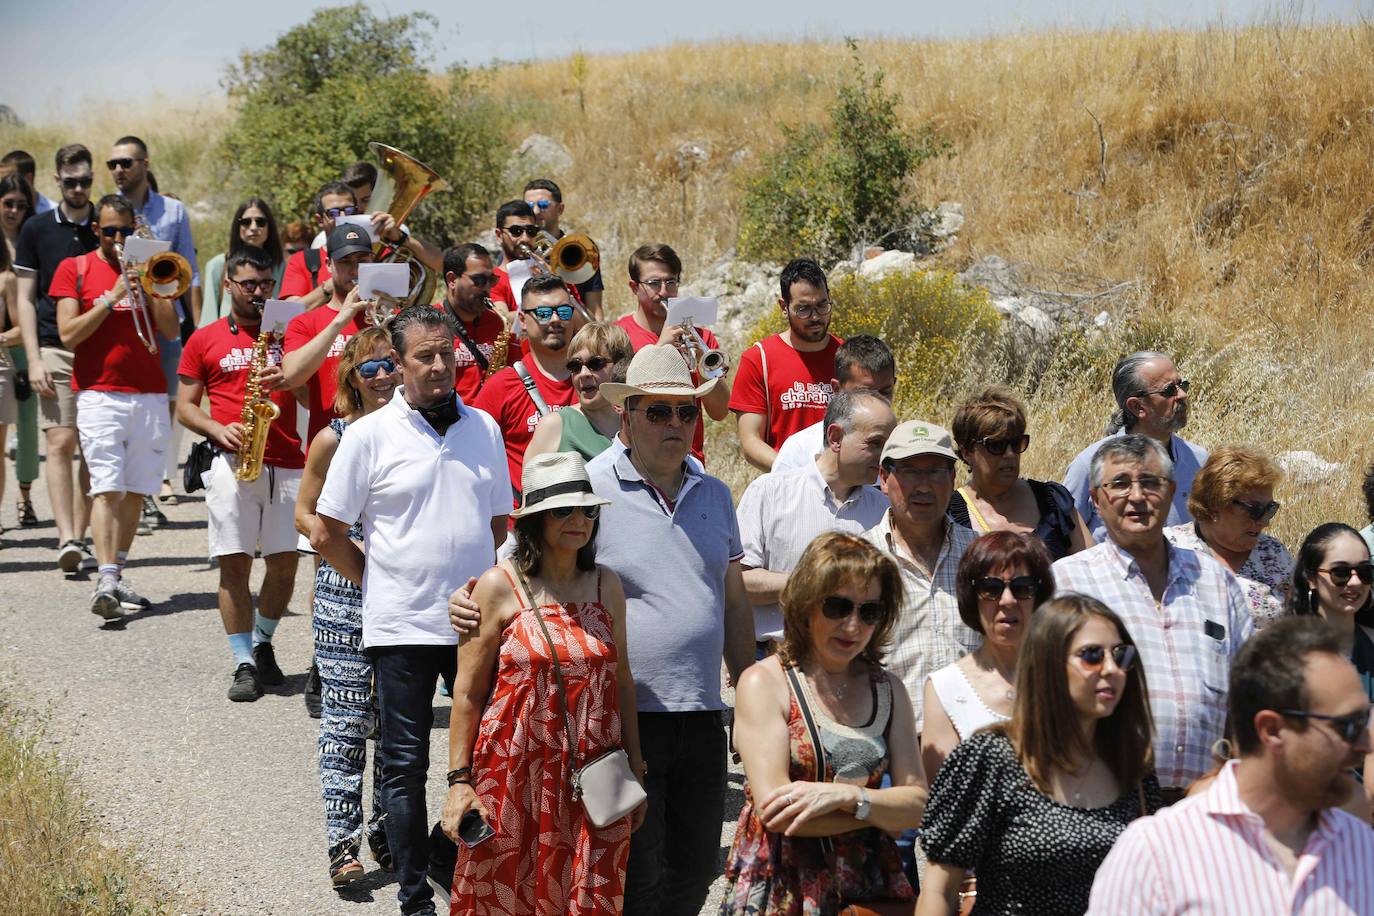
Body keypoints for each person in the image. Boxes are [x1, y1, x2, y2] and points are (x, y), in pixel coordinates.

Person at [312, 305, 510, 916]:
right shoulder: (368, 436)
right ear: (397, 365)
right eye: (423, 355)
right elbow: (327, 531)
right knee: (403, 764)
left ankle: (452, 860)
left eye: (446, 352)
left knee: (490, 753)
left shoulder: (483, 427)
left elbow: (501, 523)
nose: (439, 364)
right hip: (401, 625)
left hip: (476, 624)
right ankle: (414, 896)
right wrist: (380, 581)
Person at [589, 345, 754, 915]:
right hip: (622, 719)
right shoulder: (589, 492)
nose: (676, 424)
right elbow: (522, 565)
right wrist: (471, 599)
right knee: (635, 870)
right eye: (659, 412)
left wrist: (751, 699)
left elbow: (733, 603)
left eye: (686, 412)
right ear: (627, 416)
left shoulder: (715, 495)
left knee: (695, 867)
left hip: (704, 715)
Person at [443, 451, 645, 914]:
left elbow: (623, 680)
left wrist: (636, 765)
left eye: (587, 510)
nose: (578, 520)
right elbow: (468, 694)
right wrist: (459, 782)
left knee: (589, 896)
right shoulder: (498, 585)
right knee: (505, 896)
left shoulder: (605, 584)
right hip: (514, 774)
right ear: (533, 519)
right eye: (563, 510)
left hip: (594, 776)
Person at [1087, 616, 1374, 915]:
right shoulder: (1157, 852)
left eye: (1364, 721)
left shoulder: (1362, 848)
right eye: (1348, 726)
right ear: (1272, 730)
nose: (1366, 745)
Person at [918, 594, 1161, 916]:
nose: (1112, 669)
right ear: (1048, 662)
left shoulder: (1134, 769)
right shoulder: (988, 757)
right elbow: (939, 889)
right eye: (1091, 656)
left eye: (1121, 655)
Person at [722, 531, 925, 913]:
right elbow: (777, 811)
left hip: (868, 890)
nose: (853, 625)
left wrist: (849, 797)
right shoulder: (764, 682)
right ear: (805, 604)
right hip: (782, 886)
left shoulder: (889, 689)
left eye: (869, 611)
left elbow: (916, 804)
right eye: (838, 606)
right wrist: (879, 814)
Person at [1053, 434, 1252, 797]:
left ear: (1173, 490)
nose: (1137, 496)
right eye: (1120, 484)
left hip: (1205, 805)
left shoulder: (1216, 581)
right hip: (1104, 801)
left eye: (1150, 482)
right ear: (1096, 500)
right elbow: (1046, 696)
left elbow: (1248, 694)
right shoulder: (1067, 582)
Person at [177, 246, 303, 700]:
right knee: (235, 564)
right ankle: (243, 662)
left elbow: (311, 397)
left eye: (265, 284)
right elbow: (185, 406)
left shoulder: (292, 335)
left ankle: (264, 643)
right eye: (248, 284)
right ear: (228, 285)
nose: (257, 292)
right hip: (232, 462)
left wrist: (291, 374)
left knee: (285, 564)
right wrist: (216, 427)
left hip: (288, 459)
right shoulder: (205, 338)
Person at [294, 327, 397, 884]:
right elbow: (304, 516)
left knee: (393, 721)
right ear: (351, 380)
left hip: (403, 594)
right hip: (343, 593)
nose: (382, 377)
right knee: (347, 719)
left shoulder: (415, 433)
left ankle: (384, 830)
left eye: (389, 365)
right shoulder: (333, 439)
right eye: (370, 369)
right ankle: (342, 845)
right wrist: (354, 560)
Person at [52, 194, 179, 619]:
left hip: (149, 394)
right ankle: (105, 577)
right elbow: (69, 335)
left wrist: (154, 284)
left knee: (138, 490)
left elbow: (169, 331)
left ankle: (116, 572)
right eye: (110, 231)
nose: (118, 238)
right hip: (99, 393)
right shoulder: (76, 269)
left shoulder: (149, 270)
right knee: (106, 486)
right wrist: (111, 296)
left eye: (125, 230)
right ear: (96, 230)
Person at [738, 389, 894, 648]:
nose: (884, 457)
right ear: (835, 438)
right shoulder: (769, 492)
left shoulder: (884, 508)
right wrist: (817, 582)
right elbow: (738, 582)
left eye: (888, 447)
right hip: (777, 661)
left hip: (855, 664)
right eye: (875, 443)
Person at [860, 420, 980, 730]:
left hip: (972, 741)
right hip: (889, 744)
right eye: (911, 471)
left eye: (936, 472)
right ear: (884, 478)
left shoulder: (980, 555)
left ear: (953, 478)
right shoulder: (860, 559)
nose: (924, 486)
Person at [108, 136, 202, 520]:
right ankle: (137, 487)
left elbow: (189, 271)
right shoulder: (108, 208)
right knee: (129, 407)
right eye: (112, 163)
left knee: (163, 407)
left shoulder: (174, 211)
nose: (118, 170)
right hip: (122, 322)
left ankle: (157, 478)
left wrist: (195, 329)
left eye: (126, 162)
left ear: (145, 164)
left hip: (165, 320)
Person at [14, 143, 97, 572]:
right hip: (53, 347)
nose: (79, 188)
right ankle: (65, 536)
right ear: (56, 180)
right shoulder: (36, 229)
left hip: (100, 351)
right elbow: (25, 299)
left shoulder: (106, 226)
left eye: (85, 180)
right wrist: (33, 358)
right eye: (71, 182)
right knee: (61, 441)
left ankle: (82, 537)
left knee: (90, 445)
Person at [921, 531, 1056, 779]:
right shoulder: (944, 688)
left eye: (1022, 588)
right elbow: (944, 799)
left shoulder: (1067, 677)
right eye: (991, 589)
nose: (1007, 600)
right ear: (971, 597)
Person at [1063, 351, 1209, 541]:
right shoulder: (1089, 464)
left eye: (1182, 385)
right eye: (1169, 391)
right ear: (1137, 407)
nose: (1182, 395)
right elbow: (1065, 534)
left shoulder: (1199, 460)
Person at [474, 274, 583, 508]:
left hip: (588, 522)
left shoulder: (594, 378)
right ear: (522, 320)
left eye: (563, 312)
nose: (555, 320)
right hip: (523, 527)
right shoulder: (501, 386)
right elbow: (474, 457)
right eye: (543, 313)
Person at [614, 243, 731, 462]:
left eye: (671, 282)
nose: (664, 292)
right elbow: (617, 405)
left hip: (689, 460)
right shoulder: (619, 336)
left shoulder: (700, 337)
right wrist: (661, 348)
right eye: (654, 283)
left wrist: (703, 368)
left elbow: (720, 411)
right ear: (633, 287)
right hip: (637, 458)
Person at [949, 385, 1091, 560]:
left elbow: (1093, 566)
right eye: (996, 445)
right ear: (966, 452)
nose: (1009, 454)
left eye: (1016, 443)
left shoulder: (1053, 501)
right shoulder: (949, 515)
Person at [729, 257, 843, 471]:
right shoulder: (758, 359)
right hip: (785, 487)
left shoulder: (847, 357)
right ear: (784, 307)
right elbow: (750, 441)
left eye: (822, 305)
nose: (815, 316)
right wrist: (798, 473)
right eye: (803, 309)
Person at [1164, 446, 1292, 629]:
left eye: (1270, 509)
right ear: (1216, 505)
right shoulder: (1170, 548)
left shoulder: (1273, 553)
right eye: (1255, 510)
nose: (1265, 522)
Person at [281, 223, 375, 448]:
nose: (354, 270)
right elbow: (292, 375)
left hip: (385, 445)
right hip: (330, 448)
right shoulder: (305, 322)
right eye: (345, 262)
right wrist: (340, 320)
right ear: (328, 265)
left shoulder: (391, 318)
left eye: (362, 260)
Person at [772, 335, 897, 472]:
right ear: (837, 390)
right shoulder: (800, 450)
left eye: (885, 392)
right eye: (865, 394)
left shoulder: (904, 447)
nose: (877, 403)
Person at [525, 320, 632, 463]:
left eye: (595, 364)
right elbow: (530, 483)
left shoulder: (642, 421)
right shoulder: (554, 426)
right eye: (575, 366)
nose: (583, 373)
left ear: (620, 366)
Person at [1291, 523, 1374, 704]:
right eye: (1340, 572)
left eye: (1364, 571)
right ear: (1310, 577)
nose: (1355, 582)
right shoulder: (1288, 653)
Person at [0, 171, 39, 529]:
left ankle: (25, 497)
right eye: (8, 203)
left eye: (21, 205)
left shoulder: (33, 237)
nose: (14, 211)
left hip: (26, 345)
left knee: (27, 425)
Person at [436, 242, 517, 403]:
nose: (487, 288)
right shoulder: (429, 323)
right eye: (479, 280)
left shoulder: (498, 324)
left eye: (491, 280)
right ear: (452, 280)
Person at [525, 177, 605, 319]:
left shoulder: (581, 249)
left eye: (543, 204)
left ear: (560, 209)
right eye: (529, 206)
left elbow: (595, 307)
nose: (536, 211)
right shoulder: (518, 249)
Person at [199, 197, 286, 328]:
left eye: (260, 222)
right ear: (237, 227)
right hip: (228, 339)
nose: (254, 227)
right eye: (246, 222)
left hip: (270, 337)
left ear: (270, 227)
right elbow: (208, 315)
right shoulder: (218, 265)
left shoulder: (281, 266)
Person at [487, 200, 541, 317]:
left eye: (531, 231)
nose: (525, 238)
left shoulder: (550, 272)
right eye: (516, 231)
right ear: (499, 235)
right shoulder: (493, 279)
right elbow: (502, 319)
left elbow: (583, 323)